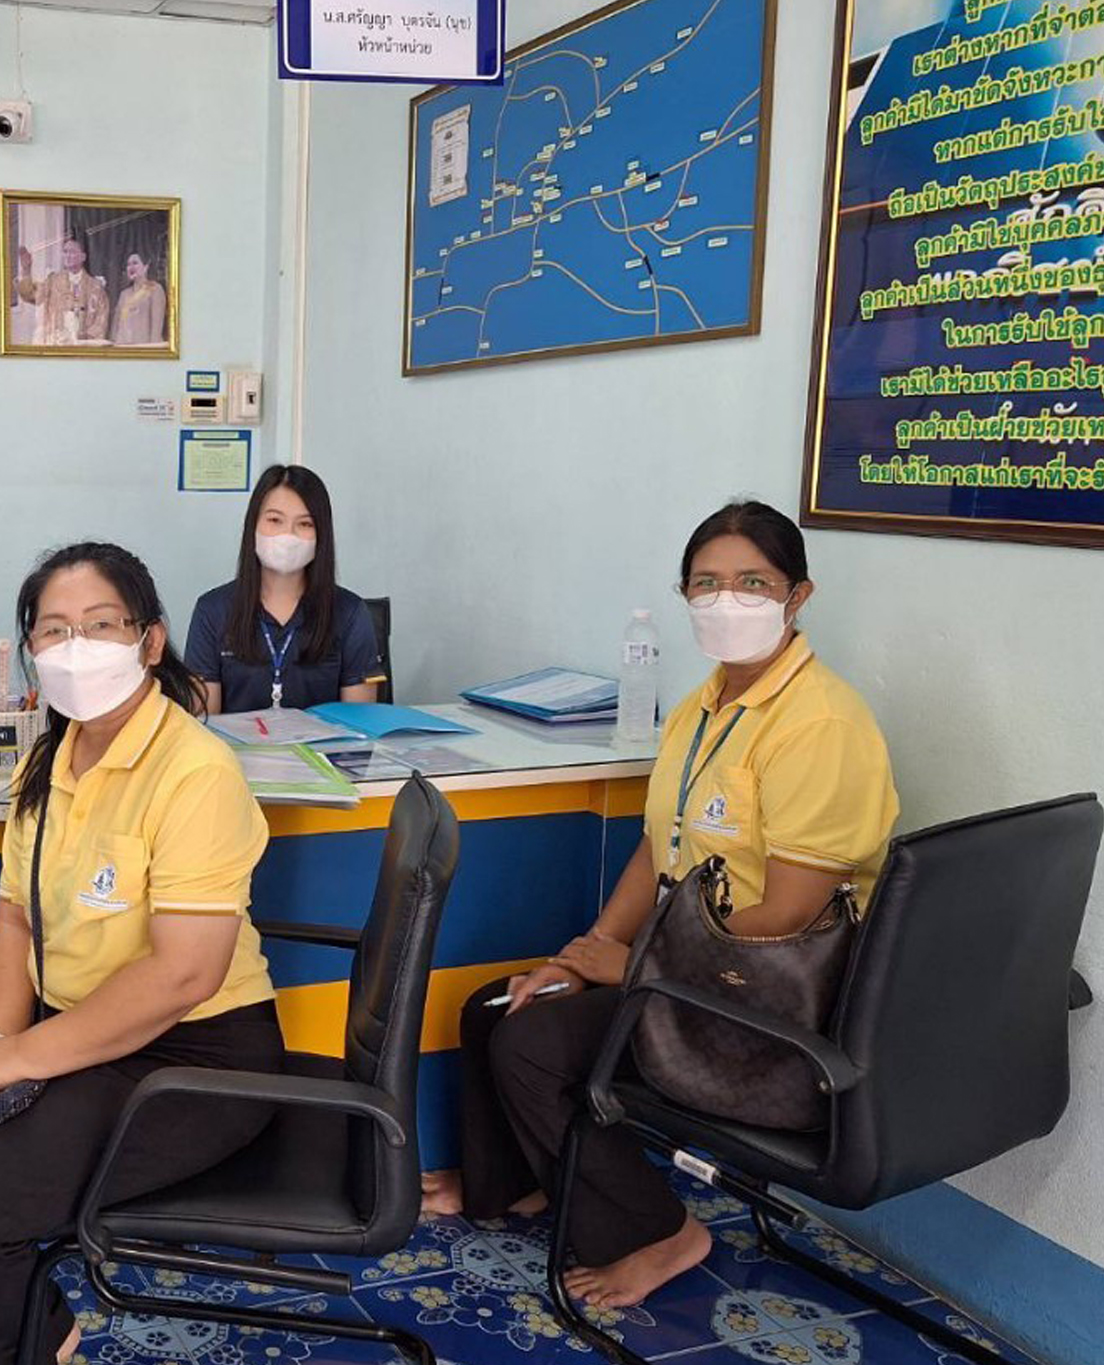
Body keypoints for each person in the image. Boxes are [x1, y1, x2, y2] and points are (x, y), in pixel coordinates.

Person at [419, 501, 899, 1311]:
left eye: (754, 582)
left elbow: (785, 914)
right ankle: (519, 1185)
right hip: (693, 967)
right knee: (496, 1005)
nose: (728, 600)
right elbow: (659, 844)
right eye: (707, 583)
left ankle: (657, 1231)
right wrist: (587, 950)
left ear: (798, 596)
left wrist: (637, 967)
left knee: (532, 1046)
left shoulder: (820, 724)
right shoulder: (704, 706)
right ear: (683, 595)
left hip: (760, 999)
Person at [0, 542, 285, 1365]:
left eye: (100, 626)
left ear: (152, 640)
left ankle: (26, 1349)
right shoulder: (47, 760)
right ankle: (46, 1332)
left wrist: (22, 1056)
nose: (76, 648)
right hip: (83, 1037)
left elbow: (182, 975)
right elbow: (14, 920)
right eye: (53, 631)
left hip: (198, 1055)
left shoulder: (195, 771)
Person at [185, 464, 385, 714]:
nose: (287, 536)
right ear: (253, 526)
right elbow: (204, 725)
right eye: (274, 520)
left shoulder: (350, 612)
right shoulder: (212, 610)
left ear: (321, 535)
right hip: (235, 753)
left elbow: (360, 726)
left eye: (305, 524)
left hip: (320, 753)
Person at [14, 237, 109, 345]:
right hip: (57, 344)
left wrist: (85, 341)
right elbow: (30, 295)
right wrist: (26, 271)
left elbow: (101, 320)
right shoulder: (52, 281)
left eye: (72, 252)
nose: (67, 255)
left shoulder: (95, 287)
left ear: (83, 257)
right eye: (65, 252)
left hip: (84, 347)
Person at [110, 252, 166, 346]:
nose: (131, 267)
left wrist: (154, 351)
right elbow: (116, 326)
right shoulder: (124, 294)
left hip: (143, 347)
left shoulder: (155, 289)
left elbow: (156, 326)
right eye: (128, 264)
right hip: (122, 347)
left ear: (146, 267)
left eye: (135, 263)